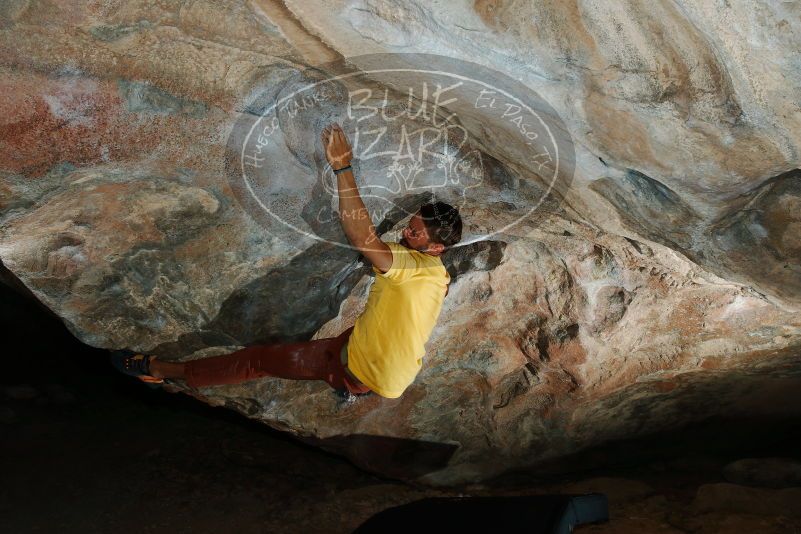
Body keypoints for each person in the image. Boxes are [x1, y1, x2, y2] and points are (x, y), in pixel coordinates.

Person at [112, 122, 462, 399]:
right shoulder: (435, 274)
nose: (406, 233)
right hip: (383, 363)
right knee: (357, 331)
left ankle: (160, 370)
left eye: (415, 234)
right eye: (410, 225)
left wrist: (342, 167)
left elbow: (362, 238)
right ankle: (355, 383)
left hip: (364, 369)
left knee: (259, 360)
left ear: (436, 249)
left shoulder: (411, 266)